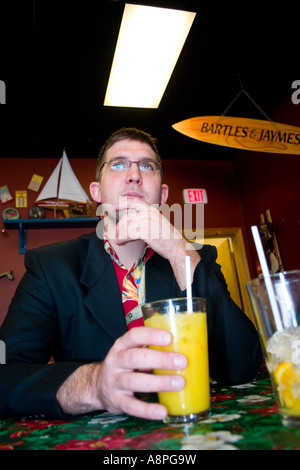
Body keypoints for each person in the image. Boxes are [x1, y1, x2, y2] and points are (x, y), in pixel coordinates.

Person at [0, 127, 261, 421]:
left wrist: (179, 251)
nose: (135, 174)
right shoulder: (51, 267)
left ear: (162, 194)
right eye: (119, 164)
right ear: (96, 192)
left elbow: (244, 367)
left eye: (147, 166)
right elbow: (5, 374)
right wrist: (92, 384)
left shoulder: (197, 258)